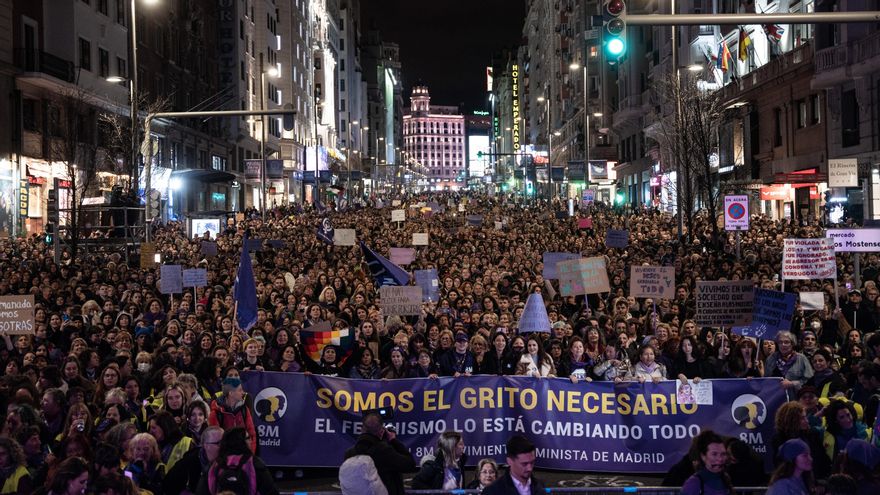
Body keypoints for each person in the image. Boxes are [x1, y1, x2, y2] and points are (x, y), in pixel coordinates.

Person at [343, 411, 416, 495]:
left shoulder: (349, 454)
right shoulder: (384, 451)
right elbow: (410, 464)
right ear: (381, 432)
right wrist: (393, 440)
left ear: (361, 429)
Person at [196, 427, 278, 495]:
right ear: (243, 442)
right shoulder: (254, 463)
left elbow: (201, 491)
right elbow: (271, 492)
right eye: (248, 438)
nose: (251, 441)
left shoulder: (214, 465)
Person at [162, 425, 224, 495]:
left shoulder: (228, 463)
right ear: (205, 445)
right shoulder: (188, 462)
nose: (223, 447)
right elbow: (167, 485)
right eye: (218, 443)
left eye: (225, 442)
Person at [208, 377, 257, 453]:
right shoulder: (216, 413)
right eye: (240, 390)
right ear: (231, 393)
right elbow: (215, 440)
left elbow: (252, 434)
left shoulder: (244, 409)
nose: (243, 392)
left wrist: (250, 454)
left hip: (243, 455)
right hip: (225, 459)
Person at [680, 430, 734, 495]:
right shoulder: (693, 483)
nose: (720, 459)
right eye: (714, 454)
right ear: (703, 456)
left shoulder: (725, 479)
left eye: (723, 454)